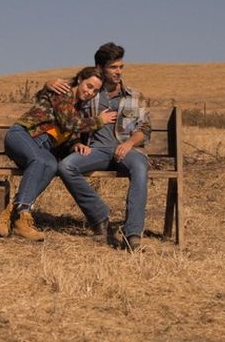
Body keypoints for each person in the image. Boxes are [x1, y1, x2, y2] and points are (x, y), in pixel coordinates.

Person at [0, 67, 117, 241]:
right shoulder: (63, 92)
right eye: (88, 86)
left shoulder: (80, 111)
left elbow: (68, 133)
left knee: (51, 165)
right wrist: (99, 120)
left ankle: (12, 214)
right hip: (22, 136)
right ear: (80, 80)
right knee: (39, 161)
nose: (90, 92)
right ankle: (21, 217)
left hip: (42, 148)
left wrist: (75, 144)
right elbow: (68, 123)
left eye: (95, 91)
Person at [47, 42, 151, 250]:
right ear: (100, 68)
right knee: (66, 166)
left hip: (128, 151)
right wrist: (76, 143)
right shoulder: (91, 92)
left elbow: (145, 129)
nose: (118, 72)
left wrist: (129, 143)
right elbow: (69, 113)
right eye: (113, 67)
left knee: (140, 168)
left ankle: (132, 234)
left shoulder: (134, 96)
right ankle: (100, 216)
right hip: (97, 150)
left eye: (121, 67)